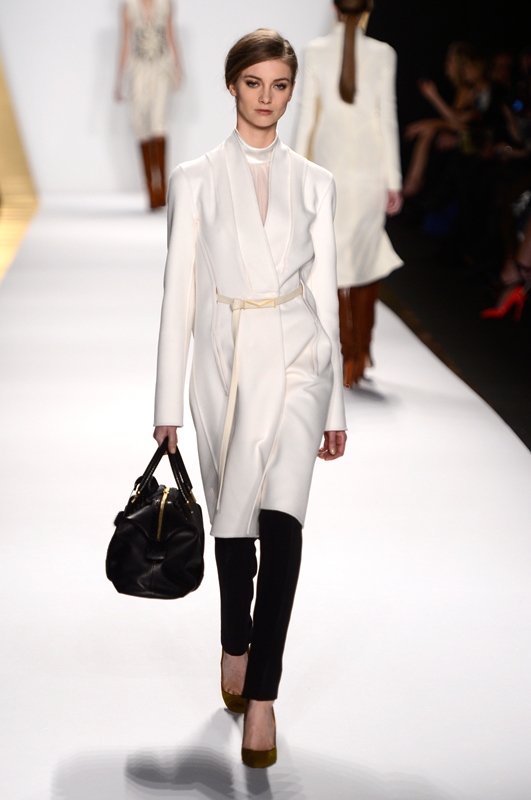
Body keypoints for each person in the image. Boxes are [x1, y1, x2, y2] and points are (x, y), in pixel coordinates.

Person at [153, 29, 347, 768]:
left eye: (280, 85)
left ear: (292, 91)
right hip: (226, 363)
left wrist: (333, 406)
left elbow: (324, 293)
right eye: (254, 82)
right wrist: (167, 404)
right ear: (232, 85)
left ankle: (262, 694)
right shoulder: (195, 178)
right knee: (234, 525)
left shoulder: (315, 181)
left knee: (283, 522)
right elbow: (177, 294)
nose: (267, 98)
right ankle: (234, 640)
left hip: (298, 356)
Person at [295, 0, 403, 387]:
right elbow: (386, 116)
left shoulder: (314, 51)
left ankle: (346, 353)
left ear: (334, 8)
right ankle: (361, 351)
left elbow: (307, 116)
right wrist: (394, 180)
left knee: (334, 261)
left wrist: (296, 173)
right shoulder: (384, 53)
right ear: (368, 9)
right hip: (371, 170)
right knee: (366, 258)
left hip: (330, 168)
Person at [115, 0, 182, 209]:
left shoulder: (165, 4)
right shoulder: (129, 6)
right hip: (138, 71)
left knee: (158, 122)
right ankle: (151, 190)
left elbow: (171, 36)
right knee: (141, 125)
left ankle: (162, 188)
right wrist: (119, 80)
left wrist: (178, 67)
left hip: (162, 68)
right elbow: (125, 42)